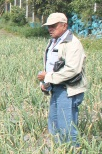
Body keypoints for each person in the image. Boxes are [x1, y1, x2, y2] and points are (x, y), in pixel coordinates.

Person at [37, 12, 87, 146]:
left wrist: (48, 77)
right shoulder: (54, 42)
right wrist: (45, 82)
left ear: (64, 26)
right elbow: (52, 65)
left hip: (68, 91)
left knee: (68, 130)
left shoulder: (72, 43)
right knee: (54, 126)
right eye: (48, 26)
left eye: (53, 26)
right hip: (56, 88)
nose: (50, 29)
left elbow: (72, 70)